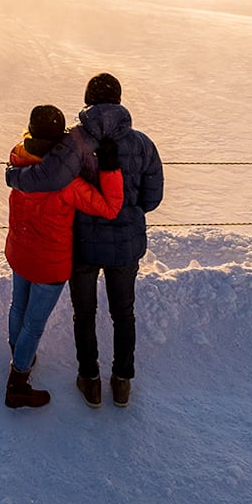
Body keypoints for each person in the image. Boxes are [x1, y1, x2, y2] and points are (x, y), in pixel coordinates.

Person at [1, 104, 124, 409]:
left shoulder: (18, 161)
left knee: (18, 307)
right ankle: (18, 383)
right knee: (34, 324)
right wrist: (109, 168)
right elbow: (110, 207)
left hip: (19, 251)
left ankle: (19, 355)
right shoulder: (67, 183)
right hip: (49, 264)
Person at [69, 73, 164, 408]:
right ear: (119, 101)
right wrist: (128, 211)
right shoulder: (142, 144)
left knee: (84, 312)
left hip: (82, 242)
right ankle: (122, 382)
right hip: (125, 243)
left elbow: (59, 187)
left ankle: (89, 379)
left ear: (88, 101)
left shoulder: (74, 142)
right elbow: (152, 198)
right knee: (123, 313)